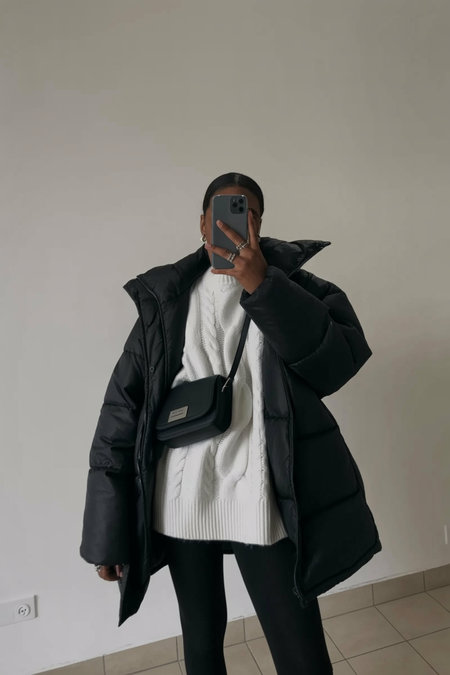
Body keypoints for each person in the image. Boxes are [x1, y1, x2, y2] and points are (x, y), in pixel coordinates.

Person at [80, 172, 382, 674]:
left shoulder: (294, 286)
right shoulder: (166, 298)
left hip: (262, 499)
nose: (233, 225)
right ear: (202, 223)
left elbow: (336, 364)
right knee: (201, 646)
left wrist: (264, 285)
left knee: (301, 653)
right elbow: (121, 410)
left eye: (247, 213)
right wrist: (106, 533)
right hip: (180, 501)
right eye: (220, 214)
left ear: (259, 224)